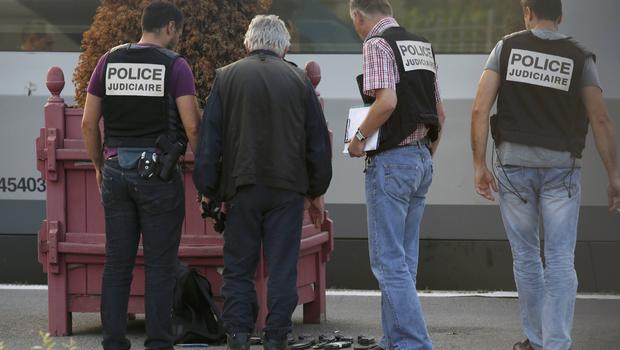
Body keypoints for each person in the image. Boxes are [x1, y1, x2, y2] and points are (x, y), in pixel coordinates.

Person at [470, 0, 620, 349]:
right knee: (560, 259)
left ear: (527, 11)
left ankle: (537, 341)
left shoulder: (505, 48)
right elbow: (600, 119)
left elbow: (480, 107)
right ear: (560, 16)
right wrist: (614, 175)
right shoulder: (580, 56)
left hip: (513, 169)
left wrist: (479, 165)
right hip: (561, 171)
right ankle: (555, 344)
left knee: (525, 257)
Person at [192, 14, 332, 350]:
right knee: (282, 266)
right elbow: (317, 143)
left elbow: (209, 141)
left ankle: (238, 333)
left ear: (247, 44)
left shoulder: (226, 77)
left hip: (242, 188)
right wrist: (316, 190)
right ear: (284, 46)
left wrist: (207, 189)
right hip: (288, 189)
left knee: (239, 267)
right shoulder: (300, 81)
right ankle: (277, 335)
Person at [81, 1, 201, 349]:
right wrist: (208, 168)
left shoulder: (109, 60)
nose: (178, 37)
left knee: (117, 263)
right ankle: (159, 343)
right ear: (169, 27)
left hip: (116, 170)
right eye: (178, 30)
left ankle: (114, 342)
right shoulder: (175, 65)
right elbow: (192, 125)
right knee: (160, 265)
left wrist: (99, 166)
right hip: (158, 176)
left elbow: (89, 122)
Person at [347, 0, 446, 349]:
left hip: (392, 162)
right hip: (421, 160)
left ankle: (415, 344)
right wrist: (423, 157)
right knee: (404, 262)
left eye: (354, 22)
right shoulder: (419, 44)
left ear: (359, 15)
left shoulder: (376, 43)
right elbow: (439, 113)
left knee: (388, 263)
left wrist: (358, 139)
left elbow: (386, 102)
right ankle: (394, 340)